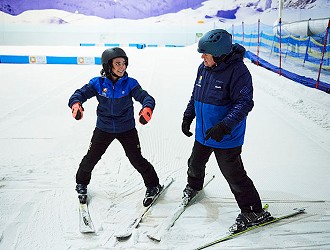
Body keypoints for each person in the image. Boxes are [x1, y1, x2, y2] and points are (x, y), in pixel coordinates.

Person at [181, 29, 272, 233]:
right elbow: (196, 94)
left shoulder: (238, 72)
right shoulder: (204, 68)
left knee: (234, 174)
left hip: (226, 135)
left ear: (219, 53)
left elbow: (244, 103)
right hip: (205, 131)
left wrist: (224, 126)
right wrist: (188, 116)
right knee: (195, 163)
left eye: (205, 53)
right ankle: (194, 187)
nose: (202, 57)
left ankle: (254, 211)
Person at [68, 47, 161, 207]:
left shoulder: (130, 83)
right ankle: (81, 184)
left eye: (124, 63)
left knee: (136, 159)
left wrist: (147, 108)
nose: (122, 67)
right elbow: (79, 94)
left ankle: (153, 186)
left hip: (126, 128)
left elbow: (146, 97)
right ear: (107, 66)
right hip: (103, 128)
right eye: (117, 63)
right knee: (91, 157)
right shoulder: (97, 83)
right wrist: (76, 104)